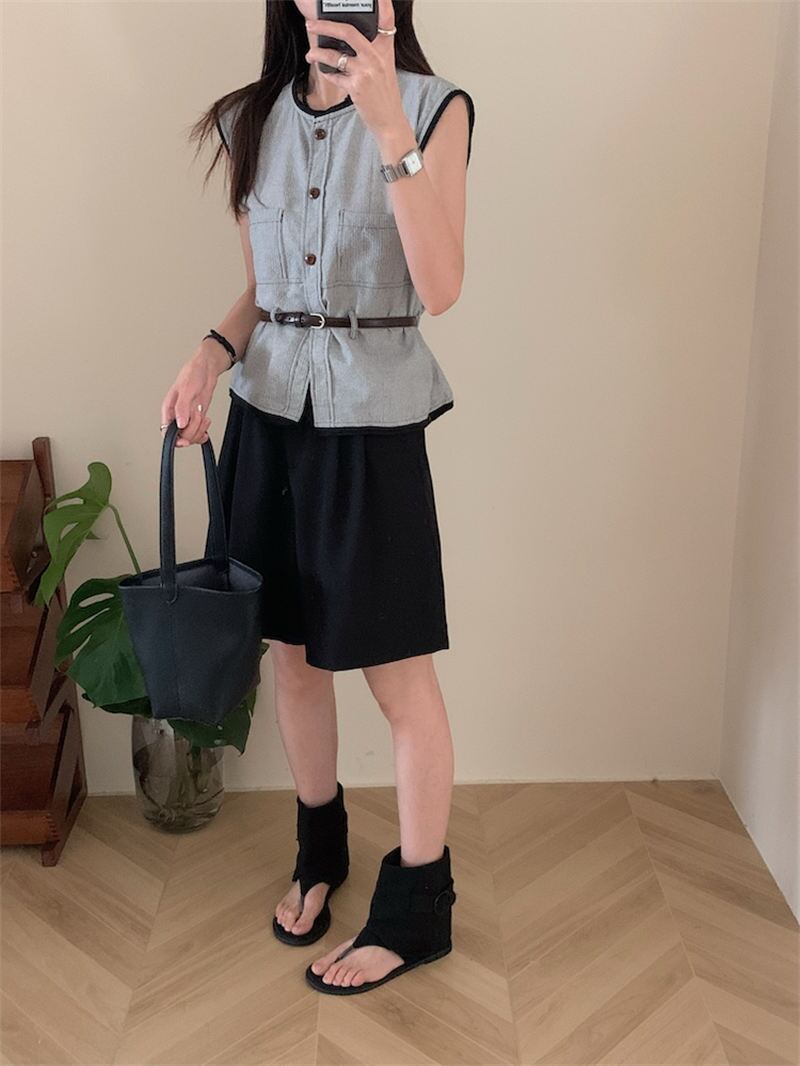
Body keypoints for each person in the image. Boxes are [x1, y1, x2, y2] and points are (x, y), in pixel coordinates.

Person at [160, 0, 474, 995]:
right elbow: (265, 287)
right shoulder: (248, 119)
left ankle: (418, 910)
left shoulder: (433, 108)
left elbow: (440, 286)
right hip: (267, 417)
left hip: (371, 430)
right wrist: (209, 355)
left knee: (398, 678)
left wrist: (387, 129)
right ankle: (319, 848)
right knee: (292, 659)